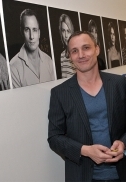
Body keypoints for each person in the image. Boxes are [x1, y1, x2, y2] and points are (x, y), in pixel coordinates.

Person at [48, 31, 126, 182]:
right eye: (74, 51)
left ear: (97, 49)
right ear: (70, 56)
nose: (81, 55)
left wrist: (123, 143)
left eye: (86, 48)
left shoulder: (119, 84)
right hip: (83, 175)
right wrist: (85, 150)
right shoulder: (60, 93)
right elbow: (54, 137)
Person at [10, 9, 55, 88]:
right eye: (27, 30)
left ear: (39, 33)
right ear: (21, 32)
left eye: (34, 30)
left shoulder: (48, 60)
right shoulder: (13, 66)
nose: (32, 36)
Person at [59, 14, 76, 78]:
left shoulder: (77, 54)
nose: (66, 36)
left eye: (68, 31)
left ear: (72, 32)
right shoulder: (62, 55)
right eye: (63, 31)